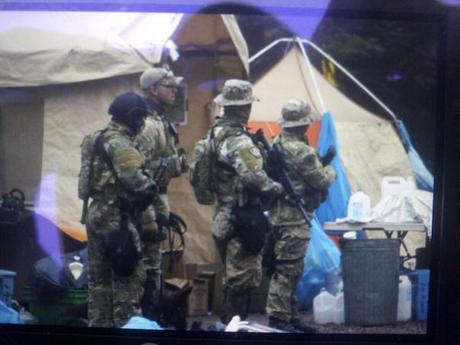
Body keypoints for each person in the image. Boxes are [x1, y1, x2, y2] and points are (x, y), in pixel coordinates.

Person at [211, 79, 283, 324]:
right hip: (244, 218)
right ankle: (234, 325)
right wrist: (277, 188)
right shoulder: (240, 141)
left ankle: (230, 323)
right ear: (244, 108)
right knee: (243, 276)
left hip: (222, 214)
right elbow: (254, 177)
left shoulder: (213, 134)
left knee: (233, 274)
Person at [84, 92, 158, 327]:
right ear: (134, 117)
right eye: (142, 118)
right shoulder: (122, 145)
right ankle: (126, 331)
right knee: (128, 280)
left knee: (99, 283)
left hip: (95, 215)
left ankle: (98, 329)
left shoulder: (94, 139)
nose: (143, 123)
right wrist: (152, 186)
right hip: (118, 221)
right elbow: (134, 180)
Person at [265, 99, 336, 332]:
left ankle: (291, 316)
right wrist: (329, 169)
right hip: (294, 217)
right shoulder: (303, 151)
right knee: (287, 270)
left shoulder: (276, 143)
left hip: (277, 215)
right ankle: (278, 318)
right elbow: (320, 180)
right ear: (303, 125)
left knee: (291, 268)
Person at [135, 67, 188, 322]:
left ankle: (152, 317)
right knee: (147, 267)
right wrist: (148, 214)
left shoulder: (160, 121)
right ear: (154, 90)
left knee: (154, 266)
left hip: (157, 201)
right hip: (146, 205)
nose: (175, 92)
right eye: (169, 87)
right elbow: (138, 170)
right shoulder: (147, 124)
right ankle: (146, 321)